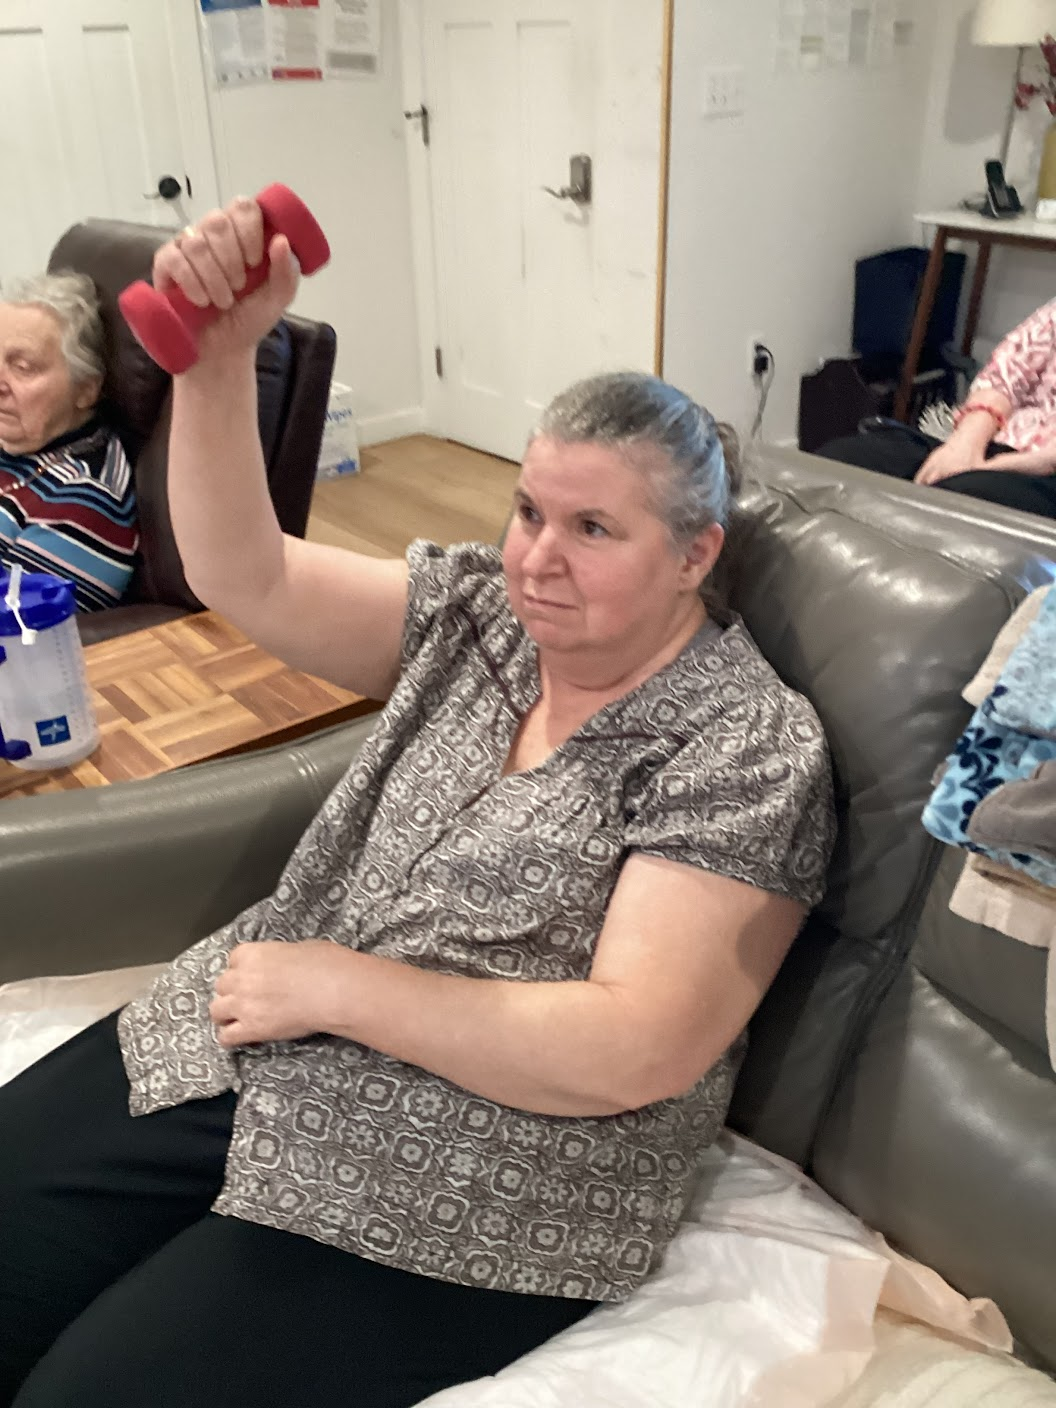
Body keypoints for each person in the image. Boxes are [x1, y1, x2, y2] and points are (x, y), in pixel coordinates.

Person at [0, 198, 835, 1408]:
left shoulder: (745, 746)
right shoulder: (478, 616)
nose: (537, 559)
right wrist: (221, 361)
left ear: (696, 552)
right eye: (529, 510)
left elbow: (634, 1044)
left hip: (489, 1161)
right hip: (266, 1033)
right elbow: (249, 571)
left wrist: (345, 984)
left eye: (594, 528)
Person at [816, 297, 1056, 521]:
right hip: (992, 443)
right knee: (837, 465)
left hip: (1042, 474)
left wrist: (1033, 462)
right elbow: (1005, 373)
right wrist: (965, 444)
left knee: (943, 510)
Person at [0, 272, 138, 610]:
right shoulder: (16, 440)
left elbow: (20, 632)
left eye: (22, 367)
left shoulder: (82, 502)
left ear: (86, 390)